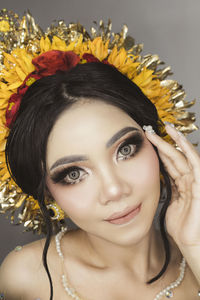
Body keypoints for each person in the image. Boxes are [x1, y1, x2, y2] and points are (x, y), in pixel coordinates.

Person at [0, 11, 200, 300]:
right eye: (73, 174)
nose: (115, 190)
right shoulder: (25, 278)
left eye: (126, 150)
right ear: (47, 193)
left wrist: (194, 246)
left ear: (161, 144)